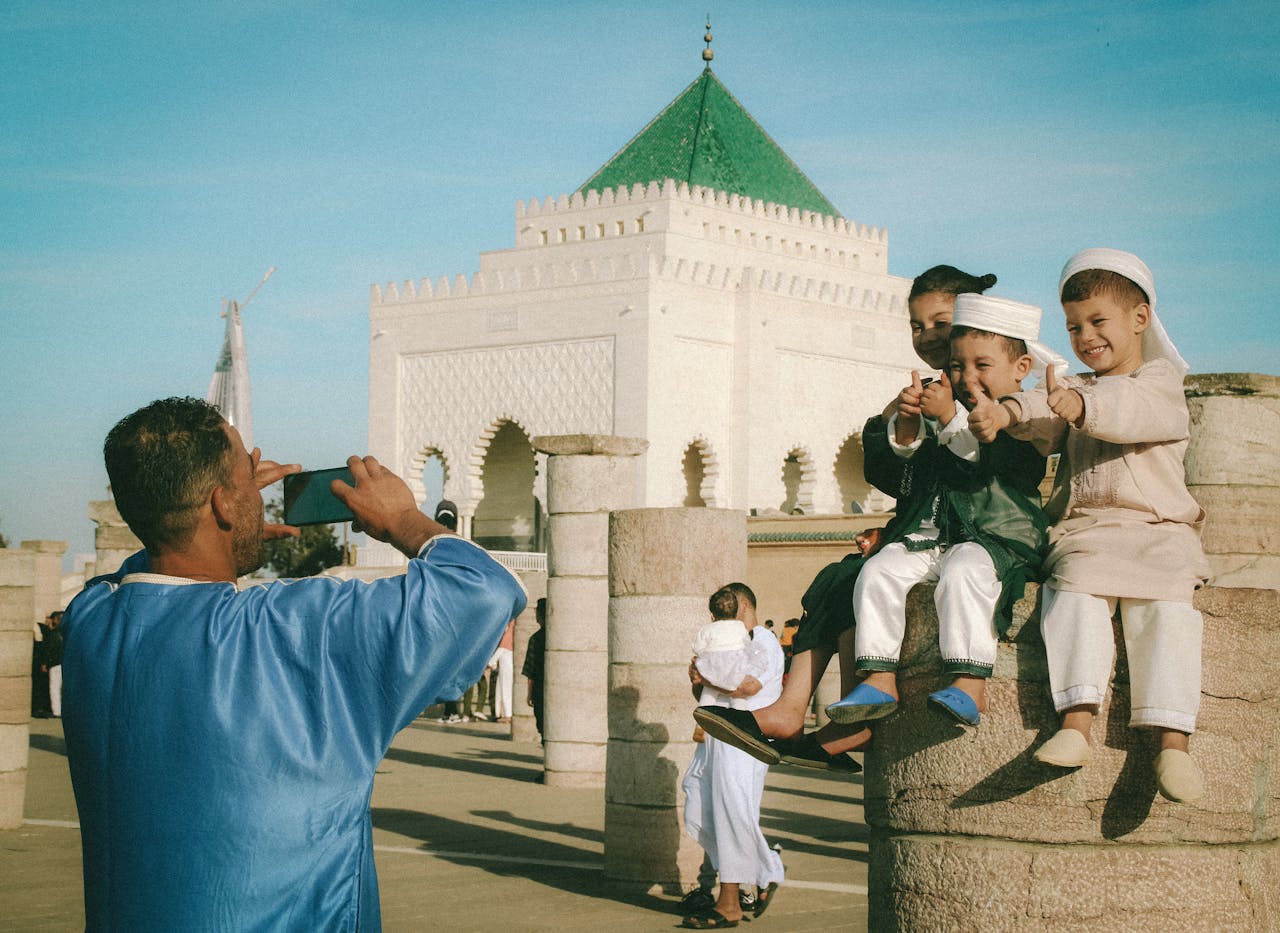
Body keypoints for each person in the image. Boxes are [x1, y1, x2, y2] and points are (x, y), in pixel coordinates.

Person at [61, 397, 526, 930]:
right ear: (222, 505)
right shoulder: (297, 628)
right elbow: (483, 591)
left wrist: (219, 516)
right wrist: (402, 518)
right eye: (245, 476)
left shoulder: (89, 624)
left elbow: (150, 565)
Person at [695, 266, 999, 767]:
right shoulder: (923, 392)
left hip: (975, 542)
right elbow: (895, 478)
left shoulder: (995, 395)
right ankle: (795, 710)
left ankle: (849, 728)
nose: (928, 337)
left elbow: (986, 481)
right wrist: (895, 427)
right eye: (917, 326)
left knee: (862, 575)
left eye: (941, 322)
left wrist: (944, 417)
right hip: (922, 539)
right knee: (840, 578)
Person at [971, 249, 1209, 802]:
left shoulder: (1162, 383)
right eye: (1074, 326)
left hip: (1160, 531)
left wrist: (1078, 403)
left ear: (1139, 319)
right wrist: (1005, 413)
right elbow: (1042, 408)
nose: (1085, 336)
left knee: (1168, 613)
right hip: (1089, 533)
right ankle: (1075, 723)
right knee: (1072, 595)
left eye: (1098, 321)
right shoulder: (1072, 386)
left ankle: (1173, 743)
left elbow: (1129, 410)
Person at [826, 293, 1055, 727]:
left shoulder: (1026, 421)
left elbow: (985, 464)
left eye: (981, 366)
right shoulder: (950, 408)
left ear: (1020, 369)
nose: (967, 377)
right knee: (878, 572)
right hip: (933, 537)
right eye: (957, 366)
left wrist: (950, 416)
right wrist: (909, 425)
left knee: (965, 572)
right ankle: (878, 677)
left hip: (996, 538)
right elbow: (903, 471)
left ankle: (969, 683)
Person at [681, 583, 785, 929]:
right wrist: (698, 677)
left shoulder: (763, 641)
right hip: (714, 737)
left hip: (743, 741)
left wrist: (707, 672)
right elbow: (706, 690)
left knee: (732, 814)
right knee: (697, 805)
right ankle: (763, 870)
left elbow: (746, 687)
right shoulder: (725, 640)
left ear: (742, 604)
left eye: (722, 610)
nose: (715, 619)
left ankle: (730, 902)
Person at [521, 598, 546, 739]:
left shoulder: (535, 639)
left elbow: (531, 670)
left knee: (542, 725)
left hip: (539, 689)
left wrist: (529, 694)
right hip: (544, 689)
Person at [489, 618, 516, 723]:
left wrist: (491, 662)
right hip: (504, 663)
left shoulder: (510, 630)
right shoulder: (509, 628)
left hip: (507, 663)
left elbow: (502, 648)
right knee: (501, 688)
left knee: (505, 689)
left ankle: (508, 714)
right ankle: (503, 713)